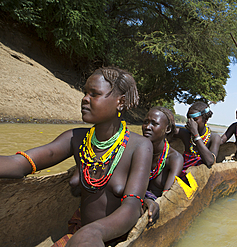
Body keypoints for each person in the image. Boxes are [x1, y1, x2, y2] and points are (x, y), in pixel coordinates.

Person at [0, 67, 157, 246]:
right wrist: (86, 233)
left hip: (113, 238)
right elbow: (21, 163)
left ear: (120, 102)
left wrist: (95, 231)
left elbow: (131, 208)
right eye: (85, 93)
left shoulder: (140, 146)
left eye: (94, 94)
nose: (84, 99)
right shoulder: (75, 138)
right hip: (81, 235)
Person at [142, 106, 184, 198]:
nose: (147, 127)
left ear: (168, 129)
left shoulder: (174, 159)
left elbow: (166, 197)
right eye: (145, 122)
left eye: (154, 123)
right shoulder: (136, 150)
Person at [174, 102, 221, 179]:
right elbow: (166, 130)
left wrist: (196, 134)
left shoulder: (214, 137)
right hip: (182, 174)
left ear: (205, 119)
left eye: (195, 119)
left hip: (200, 177)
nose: (191, 123)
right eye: (189, 119)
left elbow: (210, 161)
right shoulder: (185, 133)